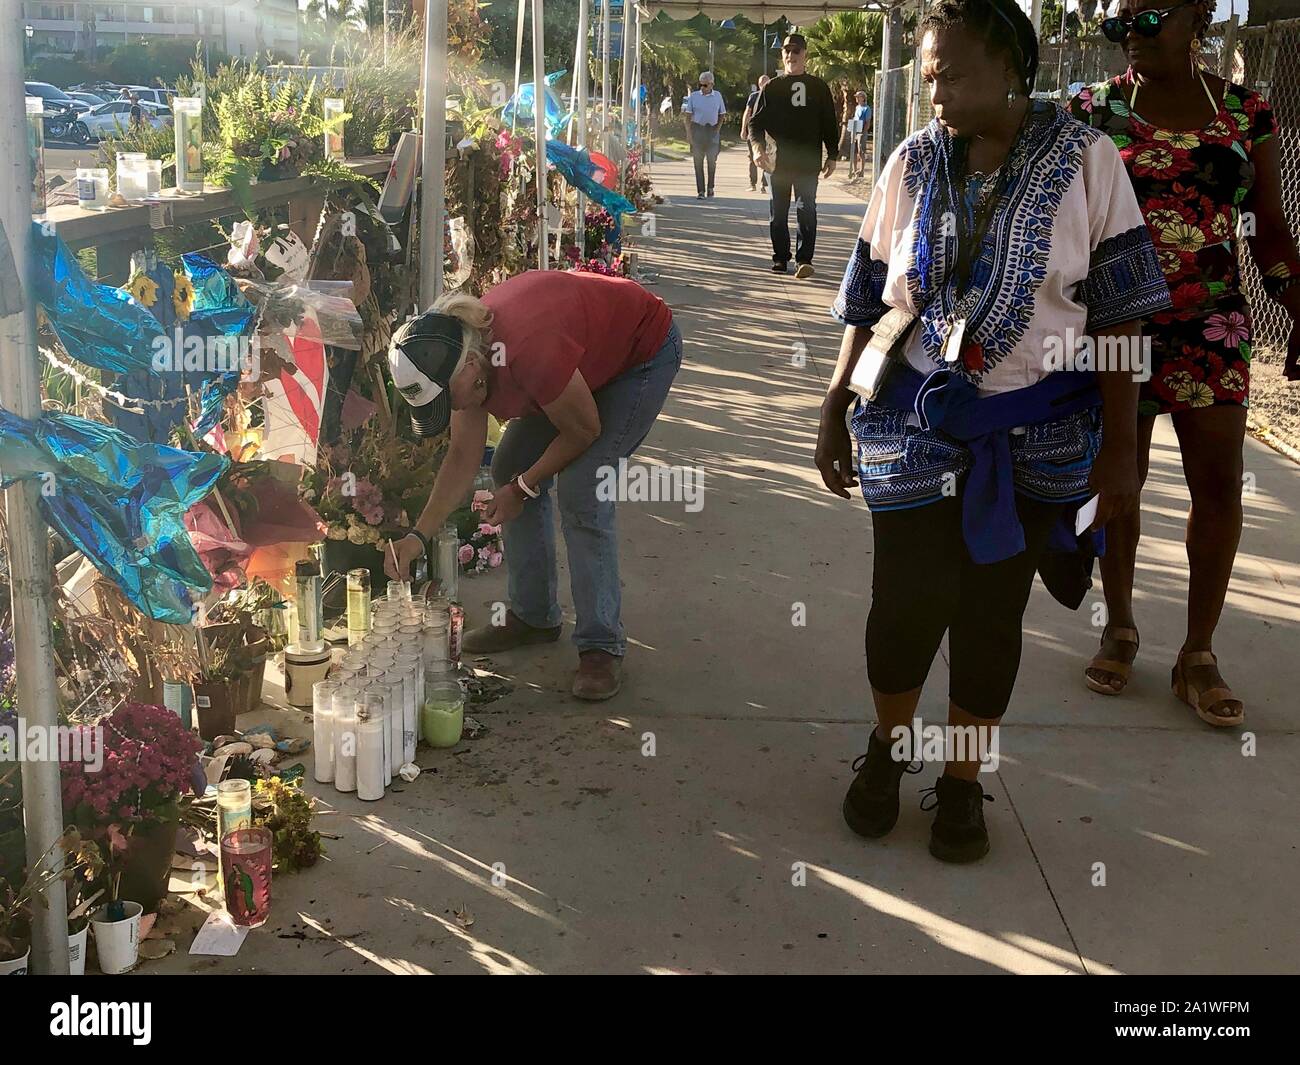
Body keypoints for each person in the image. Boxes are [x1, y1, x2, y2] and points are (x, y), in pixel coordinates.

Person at [815, 0, 1170, 862]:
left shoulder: (1089, 160)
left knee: (989, 614)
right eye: (930, 72)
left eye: (954, 71)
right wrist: (834, 400)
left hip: (1034, 431)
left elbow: (1122, 315)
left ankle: (964, 782)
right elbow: (868, 294)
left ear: (1013, 67)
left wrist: (1121, 456)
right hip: (912, 418)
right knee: (903, 603)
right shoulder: (909, 160)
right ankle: (888, 750)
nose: (935, 88)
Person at [1070, 0, 1300, 726]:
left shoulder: (1246, 112)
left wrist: (1298, 305)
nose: (1131, 36)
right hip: (1114, 323)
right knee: (1121, 478)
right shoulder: (1093, 111)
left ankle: (1198, 652)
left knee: (1220, 483)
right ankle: (1120, 624)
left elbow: (1268, 233)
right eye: (1120, 22)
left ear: (1199, 12)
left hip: (1214, 322)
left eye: (1148, 18)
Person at [384, 271, 682, 701]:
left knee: (583, 490)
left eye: (447, 400)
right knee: (508, 464)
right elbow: (463, 457)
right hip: (579, 362)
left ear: (471, 367)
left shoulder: (524, 349)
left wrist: (523, 490)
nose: (450, 409)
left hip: (639, 358)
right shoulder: (461, 357)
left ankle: (601, 645)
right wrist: (417, 536)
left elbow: (583, 430)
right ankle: (534, 615)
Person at [748, 33, 840, 278]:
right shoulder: (772, 87)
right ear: (782, 55)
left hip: (808, 162)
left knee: (806, 209)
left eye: (796, 51)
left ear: (805, 54)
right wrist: (757, 149)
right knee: (778, 213)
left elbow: (830, 123)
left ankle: (804, 260)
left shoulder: (819, 87)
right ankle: (780, 258)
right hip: (777, 162)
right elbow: (755, 124)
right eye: (787, 51)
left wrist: (832, 155)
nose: (791, 55)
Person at [683, 71, 725, 199]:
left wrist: (717, 129)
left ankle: (710, 187)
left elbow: (722, 113)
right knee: (698, 162)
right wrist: (689, 133)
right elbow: (688, 116)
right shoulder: (694, 97)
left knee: (712, 161)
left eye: (705, 85)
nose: (702, 87)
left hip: (711, 131)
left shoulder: (717, 96)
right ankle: (700, 191)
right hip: (698, 130)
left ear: (711, 84)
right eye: (700, 84)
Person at [740, 74, 771, 193]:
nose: (765, 85)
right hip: (754, 132)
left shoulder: (773, 96)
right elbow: (747, 113)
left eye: (767, 83)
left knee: (767, 157)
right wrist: (744, 129)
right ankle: (752, 183)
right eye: (763, 83)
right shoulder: (754, 97)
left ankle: (764, 185)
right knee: (752, 158)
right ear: (759, 85)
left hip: (768, 133)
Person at [848, 89, 873, 179]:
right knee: (853, 151)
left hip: (861, 131)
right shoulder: (857, 107)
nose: (857, 99)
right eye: (856, 97)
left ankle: (862, 171)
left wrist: (863, 131)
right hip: (855, 130)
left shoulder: (867, 108)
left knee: (861, 151)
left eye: (858, 97)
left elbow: (867, 122)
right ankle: (854, 170)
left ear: (863, 98)